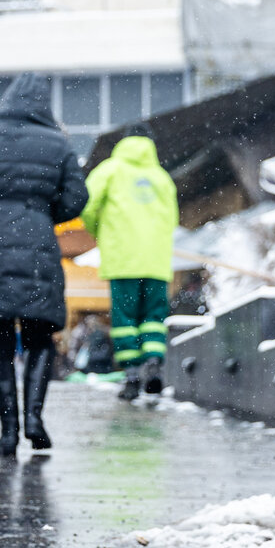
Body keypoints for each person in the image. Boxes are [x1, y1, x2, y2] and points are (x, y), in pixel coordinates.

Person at [0, 73, 89, 459]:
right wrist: (43, 212)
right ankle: (34, 418)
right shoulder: (58, 143)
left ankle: (8, 431)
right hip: (37, 250)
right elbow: (77, 198)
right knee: (39, 337)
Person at [81, 123, 179, 401]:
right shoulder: (161, 177)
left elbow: (86, 204)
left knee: (125, 318)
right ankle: (153, 361)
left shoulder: (110, 170)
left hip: (123, 259)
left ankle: (132, 373)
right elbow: (171, 220)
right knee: (154, 318)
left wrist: (99, 229)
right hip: (156, 261)